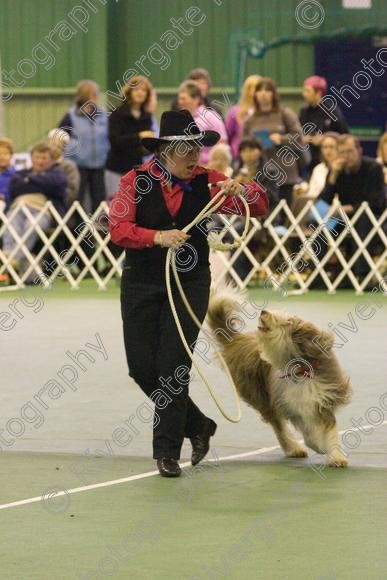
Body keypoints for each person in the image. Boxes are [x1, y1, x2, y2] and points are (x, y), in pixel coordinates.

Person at [109, 110, 269, 477]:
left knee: (173, 365)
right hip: (141, 280)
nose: (194, 157)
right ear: (166, 150)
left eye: (197, 148)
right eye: (186, 150)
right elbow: (118, 229)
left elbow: (258, 206)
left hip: (190, 279)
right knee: (141, 367)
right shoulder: (135, 180)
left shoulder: (209, 182)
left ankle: (166, 452)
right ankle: (198, 425)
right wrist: (156, 237)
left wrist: (241, 188)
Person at [317, 134, 385, 281]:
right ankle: (318, 275)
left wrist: (349, 208)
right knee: (321, 223)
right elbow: (322, 202)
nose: (346, 156)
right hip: (344, 220)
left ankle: (362, 276)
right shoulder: (337, 170)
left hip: (375, 219)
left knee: (363, 218)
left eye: (349, 151)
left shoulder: (373, 168)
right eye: (342, 152)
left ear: (359, 151)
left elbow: (375, 202)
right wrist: (333, 176)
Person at [242, 77, 304, 220]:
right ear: (255, 95)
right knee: (259, 213)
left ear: (273, 94)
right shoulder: (250, 120)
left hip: (284, 171)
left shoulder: (285, 113)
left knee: (283, 215)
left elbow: (298, 137)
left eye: (267, 90)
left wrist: (281, 139)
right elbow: (243, 143)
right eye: (260, 90)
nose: (263, 94)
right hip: (259, 173)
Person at [2, 143, 67, 275]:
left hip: (42, 211)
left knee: (32, 227)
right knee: (11, 225)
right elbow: (14, 188)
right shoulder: (20, 174)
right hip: (18, 208)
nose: (40, 161)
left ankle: (11, 260)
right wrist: (39, 181)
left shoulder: (58, 174)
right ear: (31, 158)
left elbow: (55, 187)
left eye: (44, 158)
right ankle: (8, 254)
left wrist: (29, 180)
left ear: (51, 160)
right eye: (37, 157)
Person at [58, 79, 110, 213]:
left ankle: (96, 229)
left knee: (99, 198)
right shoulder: (70, 115)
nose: (97, 96)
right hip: (77, 164)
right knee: (77, 198)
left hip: (99, 163)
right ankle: (77, 229)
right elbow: (61, 136)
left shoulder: (104, 115)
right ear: (85, 95)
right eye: (93, 93)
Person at [105, 76, 155, 198]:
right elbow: (114, 140)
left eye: (144, 90)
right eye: (137, 89)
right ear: (129, 92)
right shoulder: (116, 113)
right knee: (116, 203)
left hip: (136, 168)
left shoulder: (147, 117)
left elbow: (145, 148)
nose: (140, 93)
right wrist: (139, 136)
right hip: (116, 168)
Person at [299, 75, 349, 173]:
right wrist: (304, 138)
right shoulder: (303, 112)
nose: (304, 94)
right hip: (309, 162)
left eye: (308, 91)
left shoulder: (332, 111)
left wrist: (325, 138)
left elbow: (344, 135)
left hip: (330, 162)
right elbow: (298, 132)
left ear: (318, 93)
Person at [177, 81, 228, 166]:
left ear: (196, 99)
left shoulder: (210, 116)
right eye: (179, 98)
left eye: (183, 98)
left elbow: (222, 143)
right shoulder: (180, 118)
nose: (180, 102)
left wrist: (212, 165)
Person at [224, 75, 261, 162]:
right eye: (255, 88)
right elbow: (227, 135)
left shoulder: (266, 113)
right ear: (247, 91)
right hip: (239, 157)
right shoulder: (234, 112)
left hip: (262, 157)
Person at [47, 129, 80, 206]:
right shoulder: (41, 164)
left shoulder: (69, 166)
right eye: (52, 145)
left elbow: (73, 192)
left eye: (58, 146)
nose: (54, 149)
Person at [0, 137, 16, 211]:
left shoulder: (16, 175)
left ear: (11, 155)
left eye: (5, 154)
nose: (1, 157)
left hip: (9, 208)